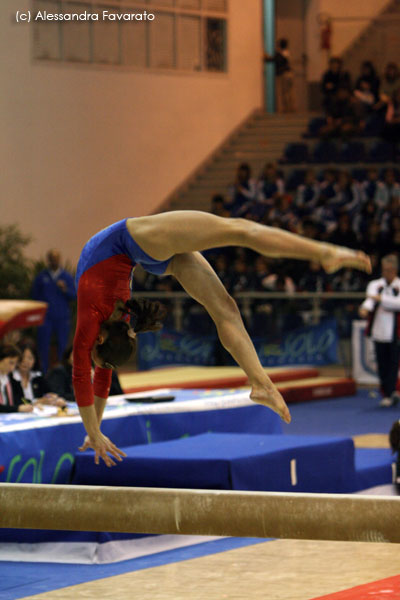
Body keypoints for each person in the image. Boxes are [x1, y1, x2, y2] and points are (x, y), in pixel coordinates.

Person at [73, 212, 371, 466]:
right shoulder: (116, 323)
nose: (94, 365)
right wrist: (94, 429)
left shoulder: (92, 316)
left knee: (239, 230)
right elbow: (102, 375)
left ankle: (323, 253)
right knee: (225, 307)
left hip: (130, 239)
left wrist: (95, 432)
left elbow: (81, 377)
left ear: (98, 339)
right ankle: (261, 383)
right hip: (137, 253)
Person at [359, 254, 400, 407]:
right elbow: (369, 300)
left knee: (394, 364)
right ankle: (387, 393)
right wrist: (364, 308)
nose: (386, 273)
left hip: (396, 331)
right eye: (384, 270)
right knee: (382, 364)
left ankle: (393, 391)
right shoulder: (375, 284)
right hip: (378, 329)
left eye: (389, 270)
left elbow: (398, 304)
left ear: (395, 270)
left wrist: (381, 300)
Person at [32, 249, 76, 373]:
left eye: (56, 258)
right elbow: (34, 296)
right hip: (45, 317)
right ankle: (44, 373)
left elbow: (74, 295)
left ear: (59, 259)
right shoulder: (41, 277)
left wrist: (65, 289)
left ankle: (63, 372)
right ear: (48, 260)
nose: (54, 261)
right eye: (51, 258)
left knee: (63, 346)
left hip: (62, 317)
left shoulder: (66, 277)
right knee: (43, 346)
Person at [11, 343, 66, 407]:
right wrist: (36, 401)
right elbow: (17, 400)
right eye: (22, 357)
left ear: (35, 360)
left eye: (30, 358)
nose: (25, 361)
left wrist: (54, 398)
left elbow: (48, 392)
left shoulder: (37, 376)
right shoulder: (11, 377)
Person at [0, 344, 32, 413]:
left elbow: (21, 398)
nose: (12, 368)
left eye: (15, 364)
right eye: (11, 363)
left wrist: (31, 403)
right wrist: (17, 408)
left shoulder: (10, 377)